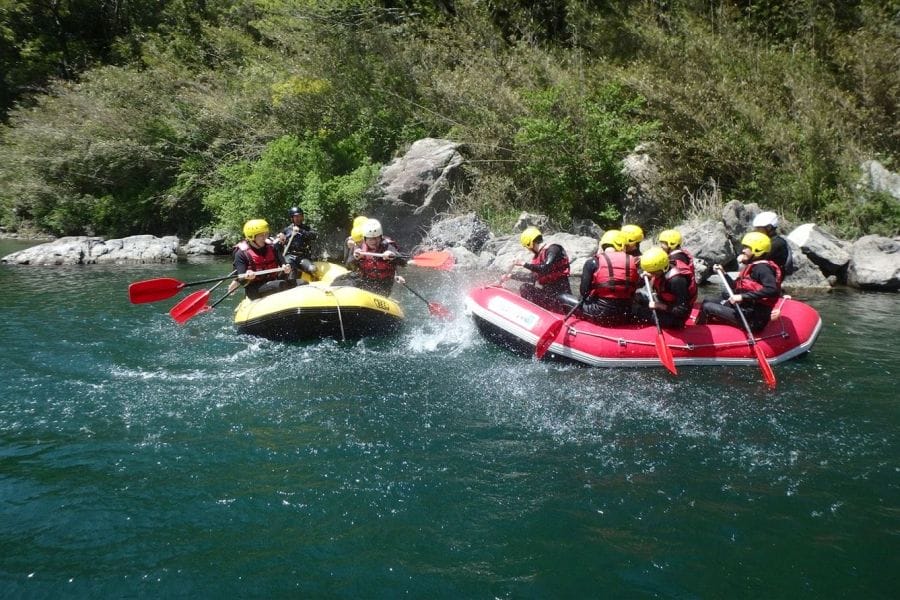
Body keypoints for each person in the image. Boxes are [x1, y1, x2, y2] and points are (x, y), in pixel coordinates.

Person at [696, 231, 782, 332]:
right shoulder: (753, 267)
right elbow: (735, 287)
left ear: (757, 250)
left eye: (747, 248)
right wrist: (724, 273)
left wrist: (742, 297)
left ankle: (698, 333)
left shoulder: (762, 268)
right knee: (708, 300)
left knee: (707, 307)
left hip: (753, 319)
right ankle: (710, 327)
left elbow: (772, 289)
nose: (743, 250)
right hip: (744, 309)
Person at [501, 226, 572, 313]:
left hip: (561, 297)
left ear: (530, 243)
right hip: (549, 295)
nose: (528, 250)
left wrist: (523, 264)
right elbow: (532, 278)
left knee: (525, 288)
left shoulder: (553, 249)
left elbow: (545, 268)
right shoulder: (539, 256)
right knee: (525, 288)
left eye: (527, 247)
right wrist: (511, 276)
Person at [578, 229, 640, 325]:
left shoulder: (593, 262)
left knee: (564, 298)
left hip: (601, 313)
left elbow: (584, 292)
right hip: (627, 313)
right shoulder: (633, 262)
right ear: (621, 245)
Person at [228, 219, 295, 300]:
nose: (265, 238)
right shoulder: (241, 254)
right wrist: (247, 277)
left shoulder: (272, 247)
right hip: (254, 289)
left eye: (266, 234)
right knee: (280, 284)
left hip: (273, 281)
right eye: (261, 235)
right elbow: (241, 279)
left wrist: (287, 267)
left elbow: (283, 263)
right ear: (251, 237)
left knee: (302, 283)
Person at [633, 246, 697, 329]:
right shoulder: (663, 268)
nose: (650, 273)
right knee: (636, 298)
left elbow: (682, 311)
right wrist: (649, 276)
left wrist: (660, 306)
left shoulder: (677, 280)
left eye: (652, 272)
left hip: (677, 318)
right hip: (665, 302)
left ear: (662, 269)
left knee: (637, 311)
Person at [343, 218, 407, 296]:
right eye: (370, 239)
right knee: (347, 284)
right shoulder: (359, 247)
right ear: (365, 238)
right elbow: (348, 266)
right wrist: (355, 258)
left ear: (381, 237)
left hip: (383, 284)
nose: (373, 241)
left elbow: (404, 262)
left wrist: (392, 256)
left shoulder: (387, 246)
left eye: (376, 238)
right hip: (364, 280)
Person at [277, 206, 318, 280]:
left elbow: (314, 236)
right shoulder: (287, 230)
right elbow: (278, 242)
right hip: (290, 256)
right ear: (292, 218)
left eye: (300, 216)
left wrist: (300, 231)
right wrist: (280, 238)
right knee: (292, 271)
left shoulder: (306, 228)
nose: (298, 218)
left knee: (313, 269)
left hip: (303, 256)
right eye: (296, 217)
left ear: (302, 217)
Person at [748, 211, 794, 276]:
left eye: (759, 228)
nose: (757, 231)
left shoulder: (777, 243)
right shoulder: (765, 241)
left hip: (771, 278)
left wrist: (746, 258)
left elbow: (759, 257)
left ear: (769, 228)